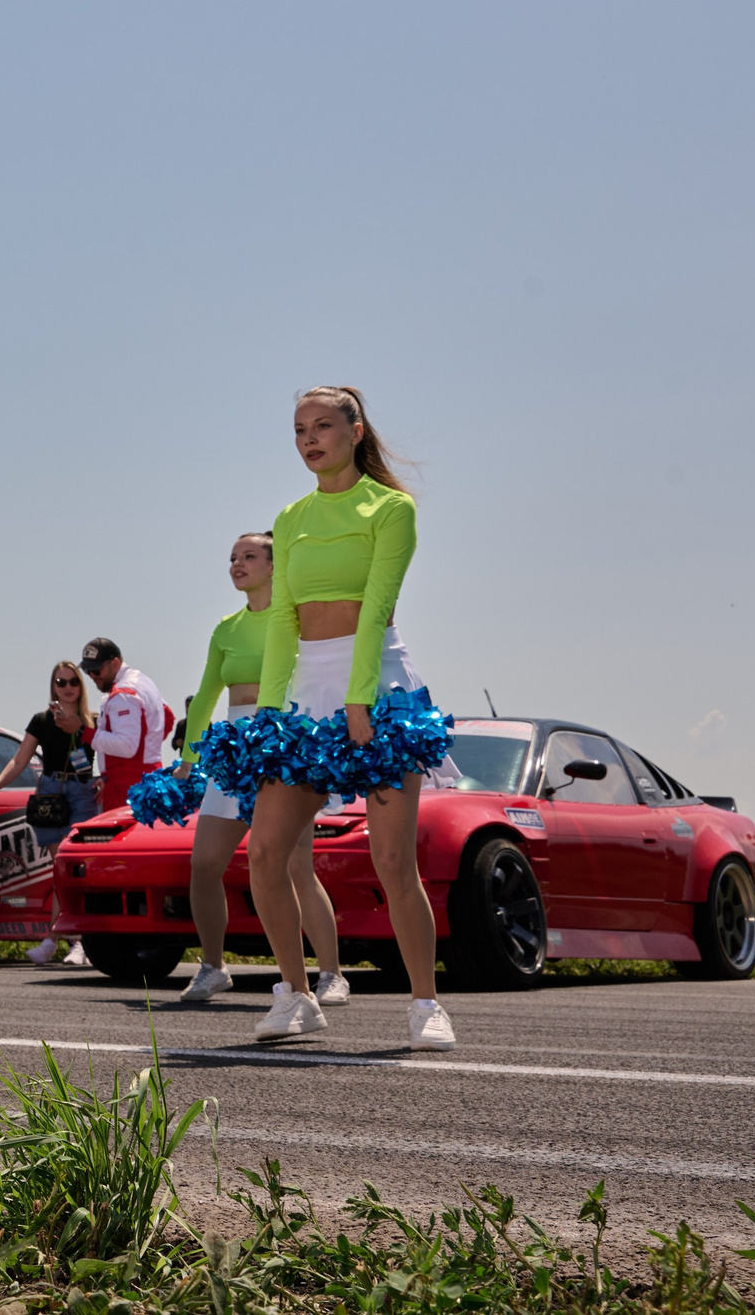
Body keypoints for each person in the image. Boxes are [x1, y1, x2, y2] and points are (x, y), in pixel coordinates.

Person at [248, 387, 455, 1050]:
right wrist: (272, 711)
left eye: (323, 427)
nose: (310, 439)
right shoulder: (289, 517)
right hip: (308, 685)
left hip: (379, 682)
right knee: (265, 851)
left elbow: (376, 606)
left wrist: (360, 696)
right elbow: (281, 619)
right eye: (299, 429)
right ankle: (297, 996)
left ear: (355, 430)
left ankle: (426, 1004)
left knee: (392, 859)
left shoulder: (392, 509)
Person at [174, 533, 348, 1007]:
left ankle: (330, 973)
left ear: (275, 565)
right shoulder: (225, 629)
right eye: (233, 557)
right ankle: (213, 967)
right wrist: (189, 762)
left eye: (249, 556)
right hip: (234, 751)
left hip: (281, 746)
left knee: (295, 866)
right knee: (204, 863)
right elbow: (207, 694)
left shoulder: (294, 619)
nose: (237, 563)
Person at [0, 661, 103, 965]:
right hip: (51, 790)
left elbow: (111, 755)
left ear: (81, 685)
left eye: (72, 682)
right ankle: (55, 939)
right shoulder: (41, 720)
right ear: (53, 687)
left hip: (83, 791)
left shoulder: (93, 720)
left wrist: (105, 779)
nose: (66, 687)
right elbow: (20, 760)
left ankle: (79, 942)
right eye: (60, 682)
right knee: (59, 869)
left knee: (77, 868)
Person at [82, 639, 172, 816]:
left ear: (115, 663)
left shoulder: (123, 694)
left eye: (96, 670)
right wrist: (149, 745)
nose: (92, 676)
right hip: (149, 778)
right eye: (87, 671)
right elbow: (167, 718)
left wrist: (82, 732)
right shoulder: (142, 682)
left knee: (120, 843)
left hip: (127, 786)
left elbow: (127, 746)